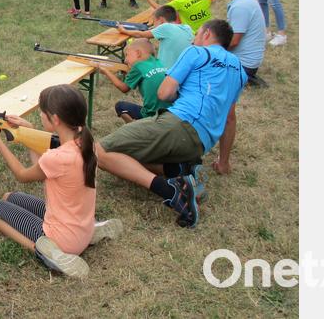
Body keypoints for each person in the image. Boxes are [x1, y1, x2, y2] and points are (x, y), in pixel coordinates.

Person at [95, 20, 247, 228]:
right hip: (200, 143)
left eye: (197, 34)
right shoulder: (239, 70)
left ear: (206, 34)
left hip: (179, 124)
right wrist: (223, 162)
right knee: (126, 155)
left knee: (100, 152)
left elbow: (164, 93)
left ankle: (172, 191)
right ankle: (181, 169)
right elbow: (230, 119)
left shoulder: (196, 52)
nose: (193, 39)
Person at [0, 85, 123, 278]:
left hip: (61, 239)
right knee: (9, 197)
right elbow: (44, 166)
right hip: (81, 229)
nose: (40, 115)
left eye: (42, 112)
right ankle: (92, 231)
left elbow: (22, 174)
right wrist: (29, 132)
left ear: (55, 119)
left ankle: (48, 252)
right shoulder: (86, 143)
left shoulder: (57, 157)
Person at [210, 0, 267, 176]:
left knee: (227, 113)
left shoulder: (241, 6)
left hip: (242, 64)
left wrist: (206, 48)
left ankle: (223, 162)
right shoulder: (243, 0)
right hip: (244, 60)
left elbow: (233, 41)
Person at [95, 39, 170, 123]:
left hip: (152, 115)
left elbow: (124, 88)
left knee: (120, 106)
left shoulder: (138, 66)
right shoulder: (159, 63)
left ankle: (135, 127)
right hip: (170, 112)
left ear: (138, 53)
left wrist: (106, 72)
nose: (125, 60)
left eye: (127, 55)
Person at [116, 5, 193, 68]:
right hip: (184, 69)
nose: (153, 25)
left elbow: (140, 34)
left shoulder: (165, 27)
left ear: (161, 20)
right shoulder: (187, 28)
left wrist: (124, 30)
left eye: (154, 22)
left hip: (166, 72)